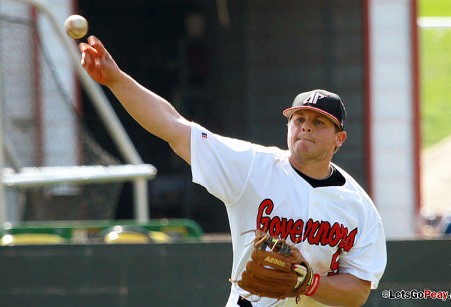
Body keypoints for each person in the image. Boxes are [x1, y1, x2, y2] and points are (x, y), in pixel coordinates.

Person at [79, 36, 387, 307]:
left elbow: (358, 292)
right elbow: (174, 128)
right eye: (298, 119)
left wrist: (310, 284)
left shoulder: (358, 208)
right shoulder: (253, 167)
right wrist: (116, 80)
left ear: (339, 139)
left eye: (318, 122)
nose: (305, 126)